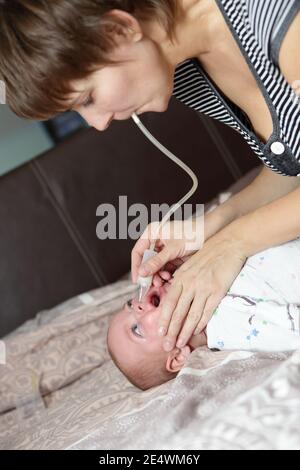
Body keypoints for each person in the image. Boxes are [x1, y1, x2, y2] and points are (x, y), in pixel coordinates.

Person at [1, 1, 299, 351]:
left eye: (88, 98)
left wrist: (232, 243)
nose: (98, 123)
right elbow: (291, 167)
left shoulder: (275, 20)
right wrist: (211, 224)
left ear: (119, 29)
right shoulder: (185, 73)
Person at [107, 236, 300, 390]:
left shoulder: (196, 268)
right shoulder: (230, 329)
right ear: (178, 357)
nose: (137, 306)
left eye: (130, 304)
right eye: (136, 330)